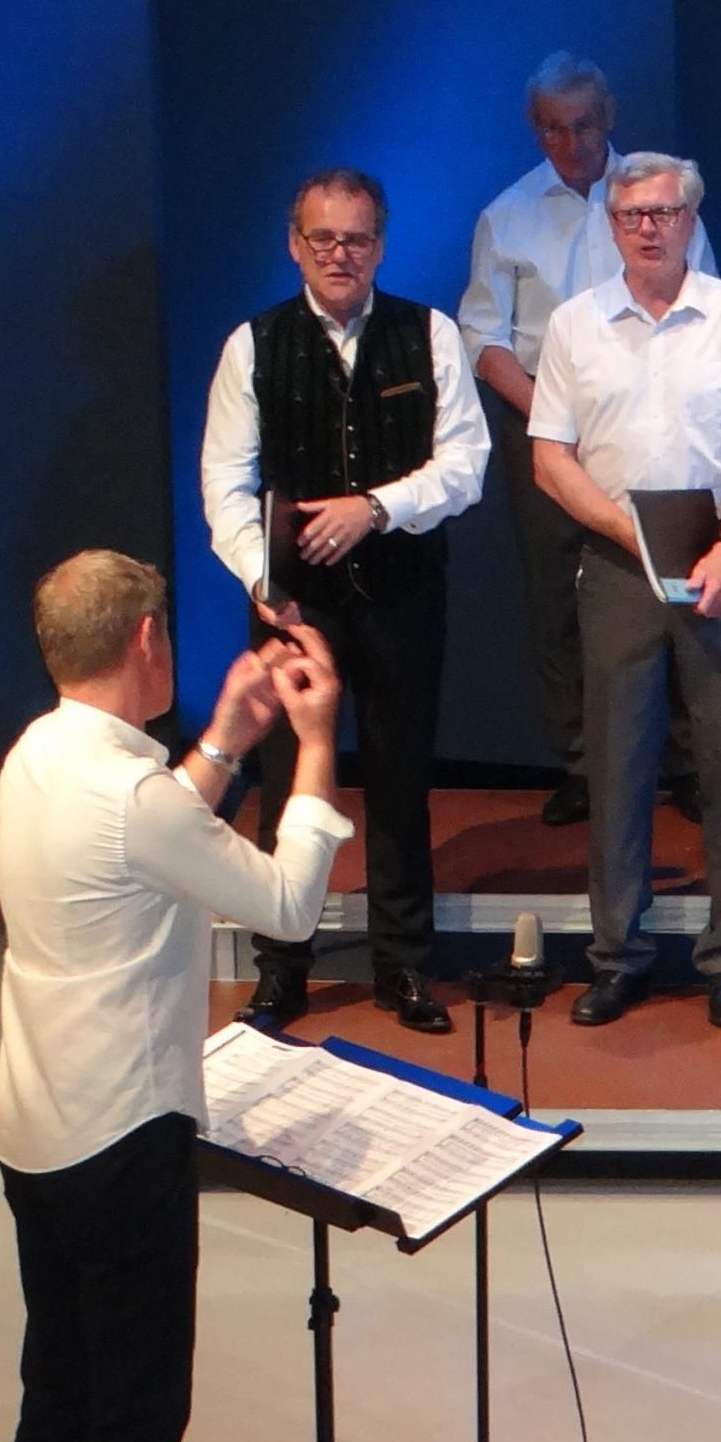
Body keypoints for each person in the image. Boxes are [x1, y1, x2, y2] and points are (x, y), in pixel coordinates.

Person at [0, 551, 348, 1442]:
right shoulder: (134, 796)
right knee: (135, 1419)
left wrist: (227, 741)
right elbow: (288, 905)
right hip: (122, 1139)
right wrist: (312, 743)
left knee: (58, 1396)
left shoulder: (37, 757)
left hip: (37, 1131)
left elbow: (157, 832)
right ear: (146, 640)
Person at [199, 167, 489, 1032]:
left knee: (402, 779)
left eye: (356, 239)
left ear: (381, 246)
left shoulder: (429, 333)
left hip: (404, 591)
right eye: (323, 238)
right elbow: (224, 481)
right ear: (295, 244)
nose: (340, 254)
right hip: (297, 607)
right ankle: (282, 966)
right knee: (290, 780)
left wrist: (377, 508)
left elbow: (466, 465)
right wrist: (262, 577)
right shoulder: (253, 345)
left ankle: (403, 965)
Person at [523, 151, 721, 1032]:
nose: (649, 228)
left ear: (692, 220)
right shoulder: (574, 325)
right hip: (617, 563)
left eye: (665, 213)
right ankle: (617, 957)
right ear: (611, 225)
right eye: (632, 215)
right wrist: (627, 533)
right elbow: (549, 457)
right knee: (617, 764)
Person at [461, 56, 720, 825]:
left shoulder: (659, 201)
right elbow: (484, 338)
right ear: (533, 127)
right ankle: (582, 764)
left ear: (608, 118)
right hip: (544, 427)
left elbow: (704, 303)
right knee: (557, 599)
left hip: (655, 422)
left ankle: (684, 761)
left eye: (580, 126)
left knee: (671, 585)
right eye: (551, 128)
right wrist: (552, 416)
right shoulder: (507, 214)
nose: (568, 143)